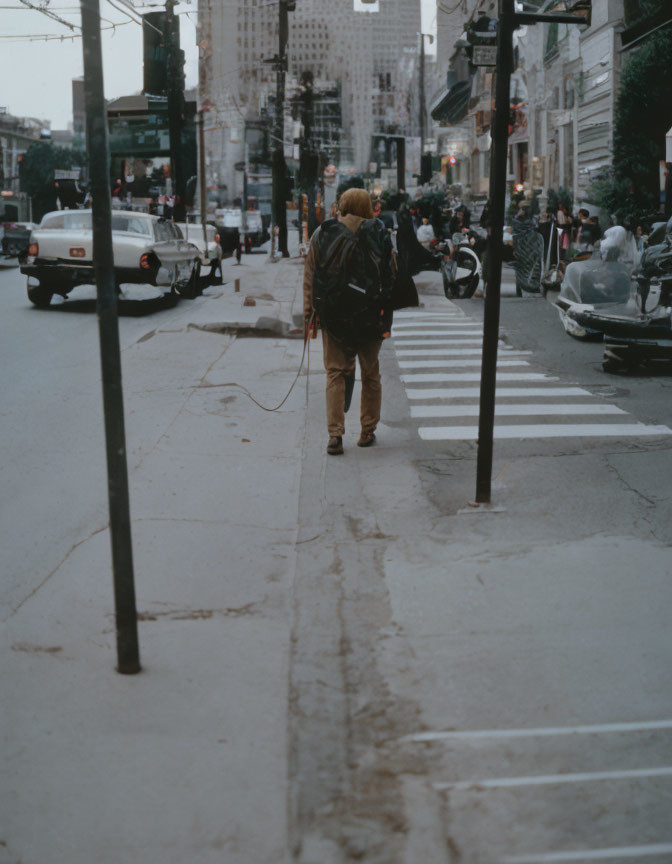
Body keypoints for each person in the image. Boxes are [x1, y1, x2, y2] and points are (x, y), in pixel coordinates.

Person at [303, 188, 395, 456]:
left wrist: (310, 314)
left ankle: (335, 435)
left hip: (334, 317)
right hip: (370, 317)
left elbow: (310, 275)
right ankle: (367, 431)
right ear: (366, 205)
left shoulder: (323, 233)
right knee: (371, 374)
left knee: (335, 373)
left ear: (342, 205)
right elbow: (392, 273)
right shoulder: (379, 232)